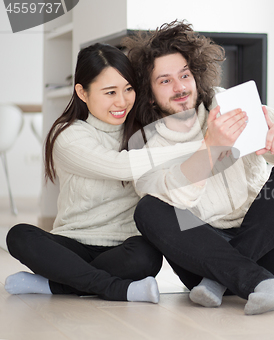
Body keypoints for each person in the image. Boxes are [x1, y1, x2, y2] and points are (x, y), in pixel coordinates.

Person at [123, 20, 274, 315]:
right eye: (165, 80)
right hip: (203, 259)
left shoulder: (228, 102)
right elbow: (172, 198)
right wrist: (211, 147)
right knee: (149, 210)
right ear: (148, 90)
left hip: (268, 256)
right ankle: (256, 282)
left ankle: (229, 280)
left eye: (184, 75)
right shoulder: (143, 142)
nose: (180, 87)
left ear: (196, 74)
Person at [4, 43, 174, 303]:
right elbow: (121, 165)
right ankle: (116, 288)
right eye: (110, 92)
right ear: (82, 92)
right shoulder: (69, 135)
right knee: (19, 235)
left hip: (123, 246)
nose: (122, 101)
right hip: (72, 245)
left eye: (128, 89)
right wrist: (203, 147)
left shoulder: (143, 130)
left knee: (147, 256)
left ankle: (56, 285)